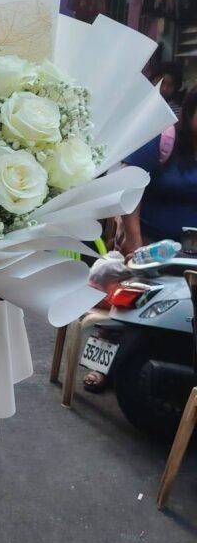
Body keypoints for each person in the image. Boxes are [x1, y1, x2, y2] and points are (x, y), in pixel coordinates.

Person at [83, 84, 197, 392]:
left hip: (192, 250)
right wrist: (134, 239)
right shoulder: (165, 138)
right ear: (189, 113)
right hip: (151, 245)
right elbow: (131, 185)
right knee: (128, 302)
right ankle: (100, 366)